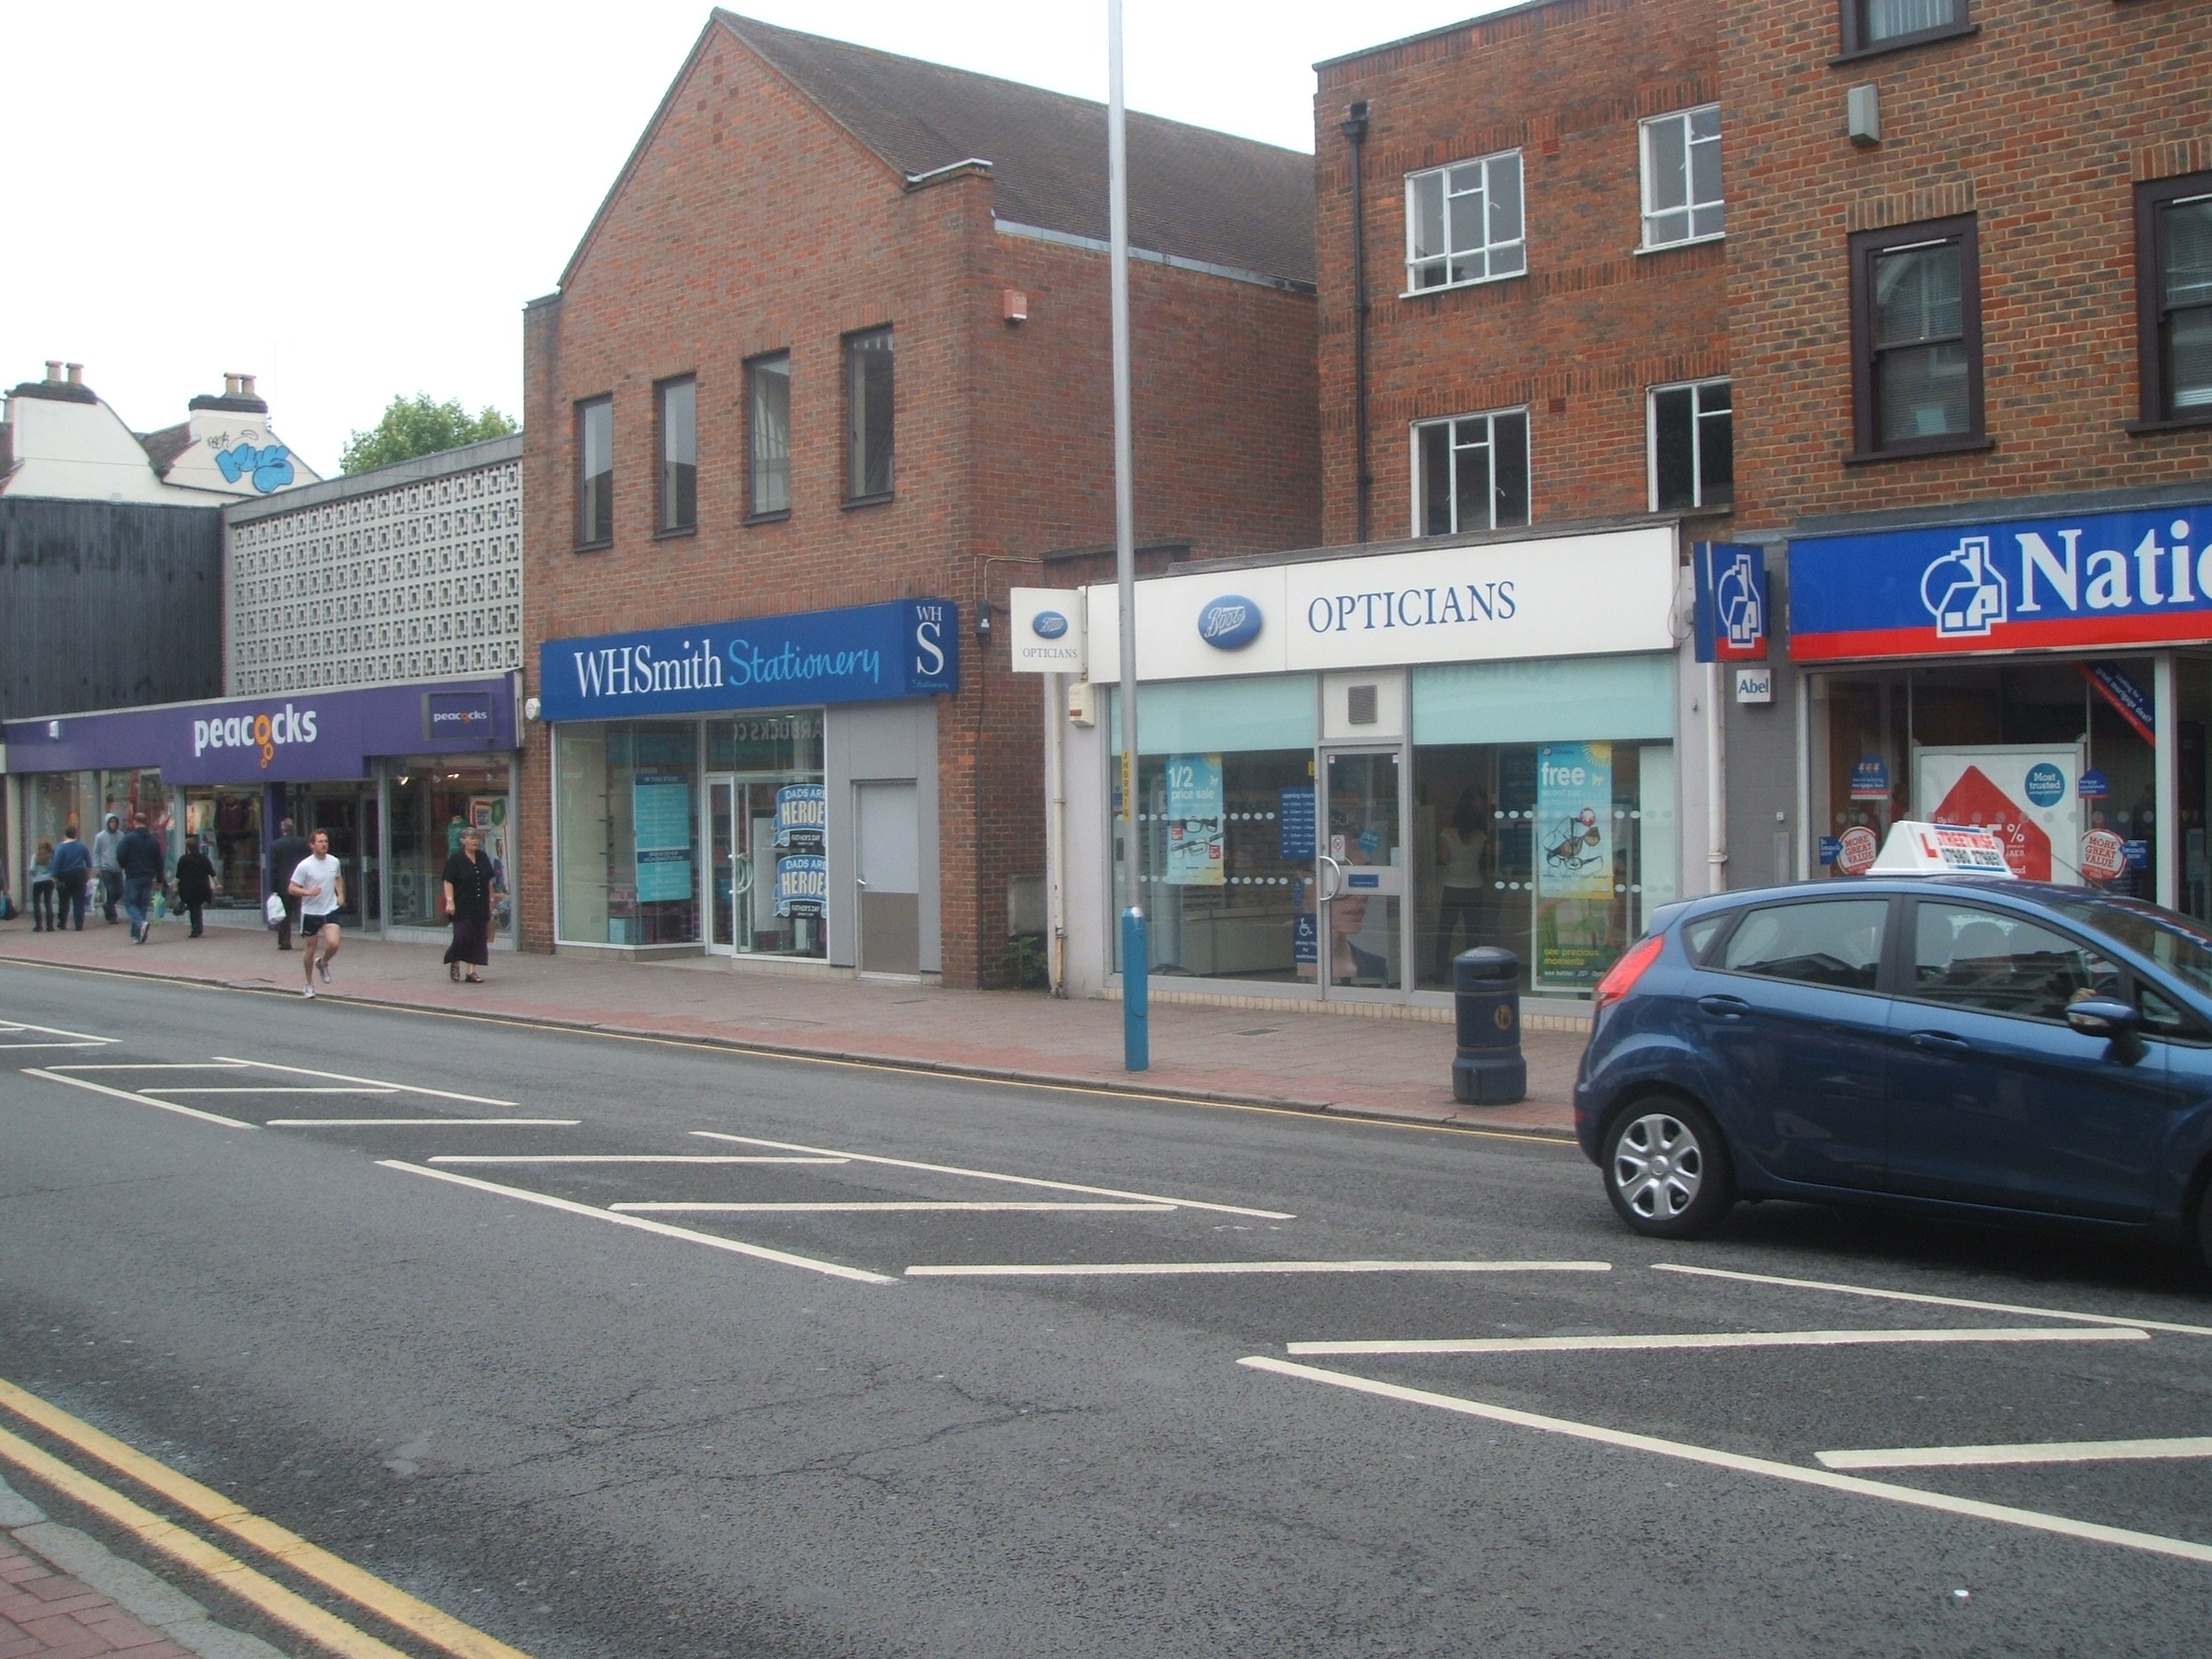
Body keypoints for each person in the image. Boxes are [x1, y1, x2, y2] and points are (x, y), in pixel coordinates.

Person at [1433, 783, 1491, 983]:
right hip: (1474, 887)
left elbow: (1444, 859)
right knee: (1473, 934)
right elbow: (1486, 861)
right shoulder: (1481, 836)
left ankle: (1439, 973)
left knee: (1444, 932)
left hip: (1452, 888)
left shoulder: (1447, 834)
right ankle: (1472, 973)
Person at [288, 830, 344, 998]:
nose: (324, 844)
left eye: (326, 841)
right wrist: (308, 893)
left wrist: (340, 894)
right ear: (312, 845)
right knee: (310, 948)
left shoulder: (334, 861)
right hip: (311, 912)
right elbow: (291, 888)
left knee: (333, 943)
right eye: (320, 842)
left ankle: (323, 962)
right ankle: (309, 983)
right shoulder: (305, 866)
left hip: (330, 908)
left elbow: (338, 878)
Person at [442, 826, 499, 983]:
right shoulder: (455, 859)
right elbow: (448, 881)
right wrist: (450, 901)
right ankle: (454, 959)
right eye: (472, 838)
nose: (475, 841)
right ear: (463, 841)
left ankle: (471, 972)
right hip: (462, 904)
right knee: (463, 936)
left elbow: (488, 881)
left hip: (480, 904)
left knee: (478, 937)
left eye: (477, 838)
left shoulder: (482, 857)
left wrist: (491, 900)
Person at [117, 813, 168, 944]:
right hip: (148, 876)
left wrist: (125, 866)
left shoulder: (128, 839)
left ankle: (140, 923)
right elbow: (159, 861)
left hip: (133, 875)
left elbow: (120, 855)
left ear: (135, 822)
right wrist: (160, 879)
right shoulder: (153, 840)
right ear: (147, 822)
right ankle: (137, 936)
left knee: (130, 903)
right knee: (142, 906)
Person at [269, 818, 310, 950]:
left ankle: (284, 941)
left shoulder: (276, 845)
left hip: (283, 883)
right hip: (301, 882)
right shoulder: (303, 843)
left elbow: (274, 868)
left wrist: (273, 887)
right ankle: (308, 935)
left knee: (284, 913)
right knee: (302, 909)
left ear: (283, 830)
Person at [174, 834, 218, 939]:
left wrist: (174, 886)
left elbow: (178, 875)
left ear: (187, 847)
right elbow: (212, 873)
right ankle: (198, 928)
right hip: (202, 887)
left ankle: (196, 929)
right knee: (197, 907)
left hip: (188, 888)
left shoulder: (184, 859)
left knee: (193, 908)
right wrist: (218, 883)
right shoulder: (204, 858)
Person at [50, 825, 91, 931]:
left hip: (65, 876)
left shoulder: (60, 847)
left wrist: (54, 876)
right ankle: (79, 924)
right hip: (79, 874)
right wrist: (88, 874)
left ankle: (62, 922)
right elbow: (89, 862)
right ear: (75, 834)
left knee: (63, 901)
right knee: (79, 901)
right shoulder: (82, 846)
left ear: (65, 834)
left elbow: (56, 863)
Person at [92, 812, 124, 925]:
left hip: (118, 867)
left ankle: (107, 906)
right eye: (111, 822)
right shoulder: (100, 837)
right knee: (111, 891)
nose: (113, 824)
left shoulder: (121, 835)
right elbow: (96, 852)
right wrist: (97, 866)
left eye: (115, 822)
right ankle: (112, 915)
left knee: (120, 891)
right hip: (106, 867)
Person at [29, 841, 56, 932]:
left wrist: (35, 875)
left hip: (37, 881)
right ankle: (50, 926)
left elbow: (31, 869)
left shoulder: (35, 856)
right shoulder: (50, 858)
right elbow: (53, 869)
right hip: (48, 880)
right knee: (48, 902)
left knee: (36, 903)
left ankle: (38, 925)